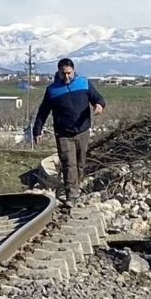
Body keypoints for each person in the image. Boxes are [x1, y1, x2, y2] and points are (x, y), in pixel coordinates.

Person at [31, 58, 106, 204]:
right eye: (63, 73)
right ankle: (71, 194)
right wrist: (37, 130)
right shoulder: (52, 90)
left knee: (80, 162)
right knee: (69, 163)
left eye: (69, 73)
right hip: (63, 133)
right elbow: (43, 112)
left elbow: (97, 98)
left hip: (82, 130)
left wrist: (99, 105)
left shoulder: (84, 83)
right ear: (58, 72)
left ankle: (77, 187)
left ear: (73, 70)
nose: (66, 76)